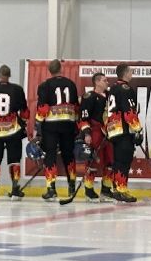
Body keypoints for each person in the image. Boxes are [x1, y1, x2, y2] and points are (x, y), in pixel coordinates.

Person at [35, 59, 81, 201]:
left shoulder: (45, 86)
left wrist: (37, 125)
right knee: (68, 155)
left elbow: (43, 108)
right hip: (68, 124)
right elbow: (76, 107)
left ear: (50, 71)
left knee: (50, 155)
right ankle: (71, 186)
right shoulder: (71, 84)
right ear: (61, 68)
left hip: (51, 126)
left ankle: (51, 189)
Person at [0, 64, 29, 199]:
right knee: (14, 160)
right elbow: (25, 112)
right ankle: (15, 188)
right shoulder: (18, 90)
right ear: (9, 76)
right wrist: (24, 124)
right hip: (13, 132)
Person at [104, 64, 142, 203]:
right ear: (125, 73)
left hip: (114, 130)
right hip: (124, 130)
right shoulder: (126, 89)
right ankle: (121, 189)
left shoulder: (112, 89)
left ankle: (117, 188)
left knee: (118, 161)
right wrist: (137, 129)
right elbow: (129, 112)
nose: (132, 74)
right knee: (124, 161)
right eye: (131, 71)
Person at [79, 72, 112, 200]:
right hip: (95, 132)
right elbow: (83, 118)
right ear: (97, 82)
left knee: (110, 161)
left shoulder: (110, 96)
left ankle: (106, 189)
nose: (107, 82)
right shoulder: (89, 97)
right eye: (104, 80)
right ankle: (89, 190)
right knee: (92, 161)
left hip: (109, 132)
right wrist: (87, 133)